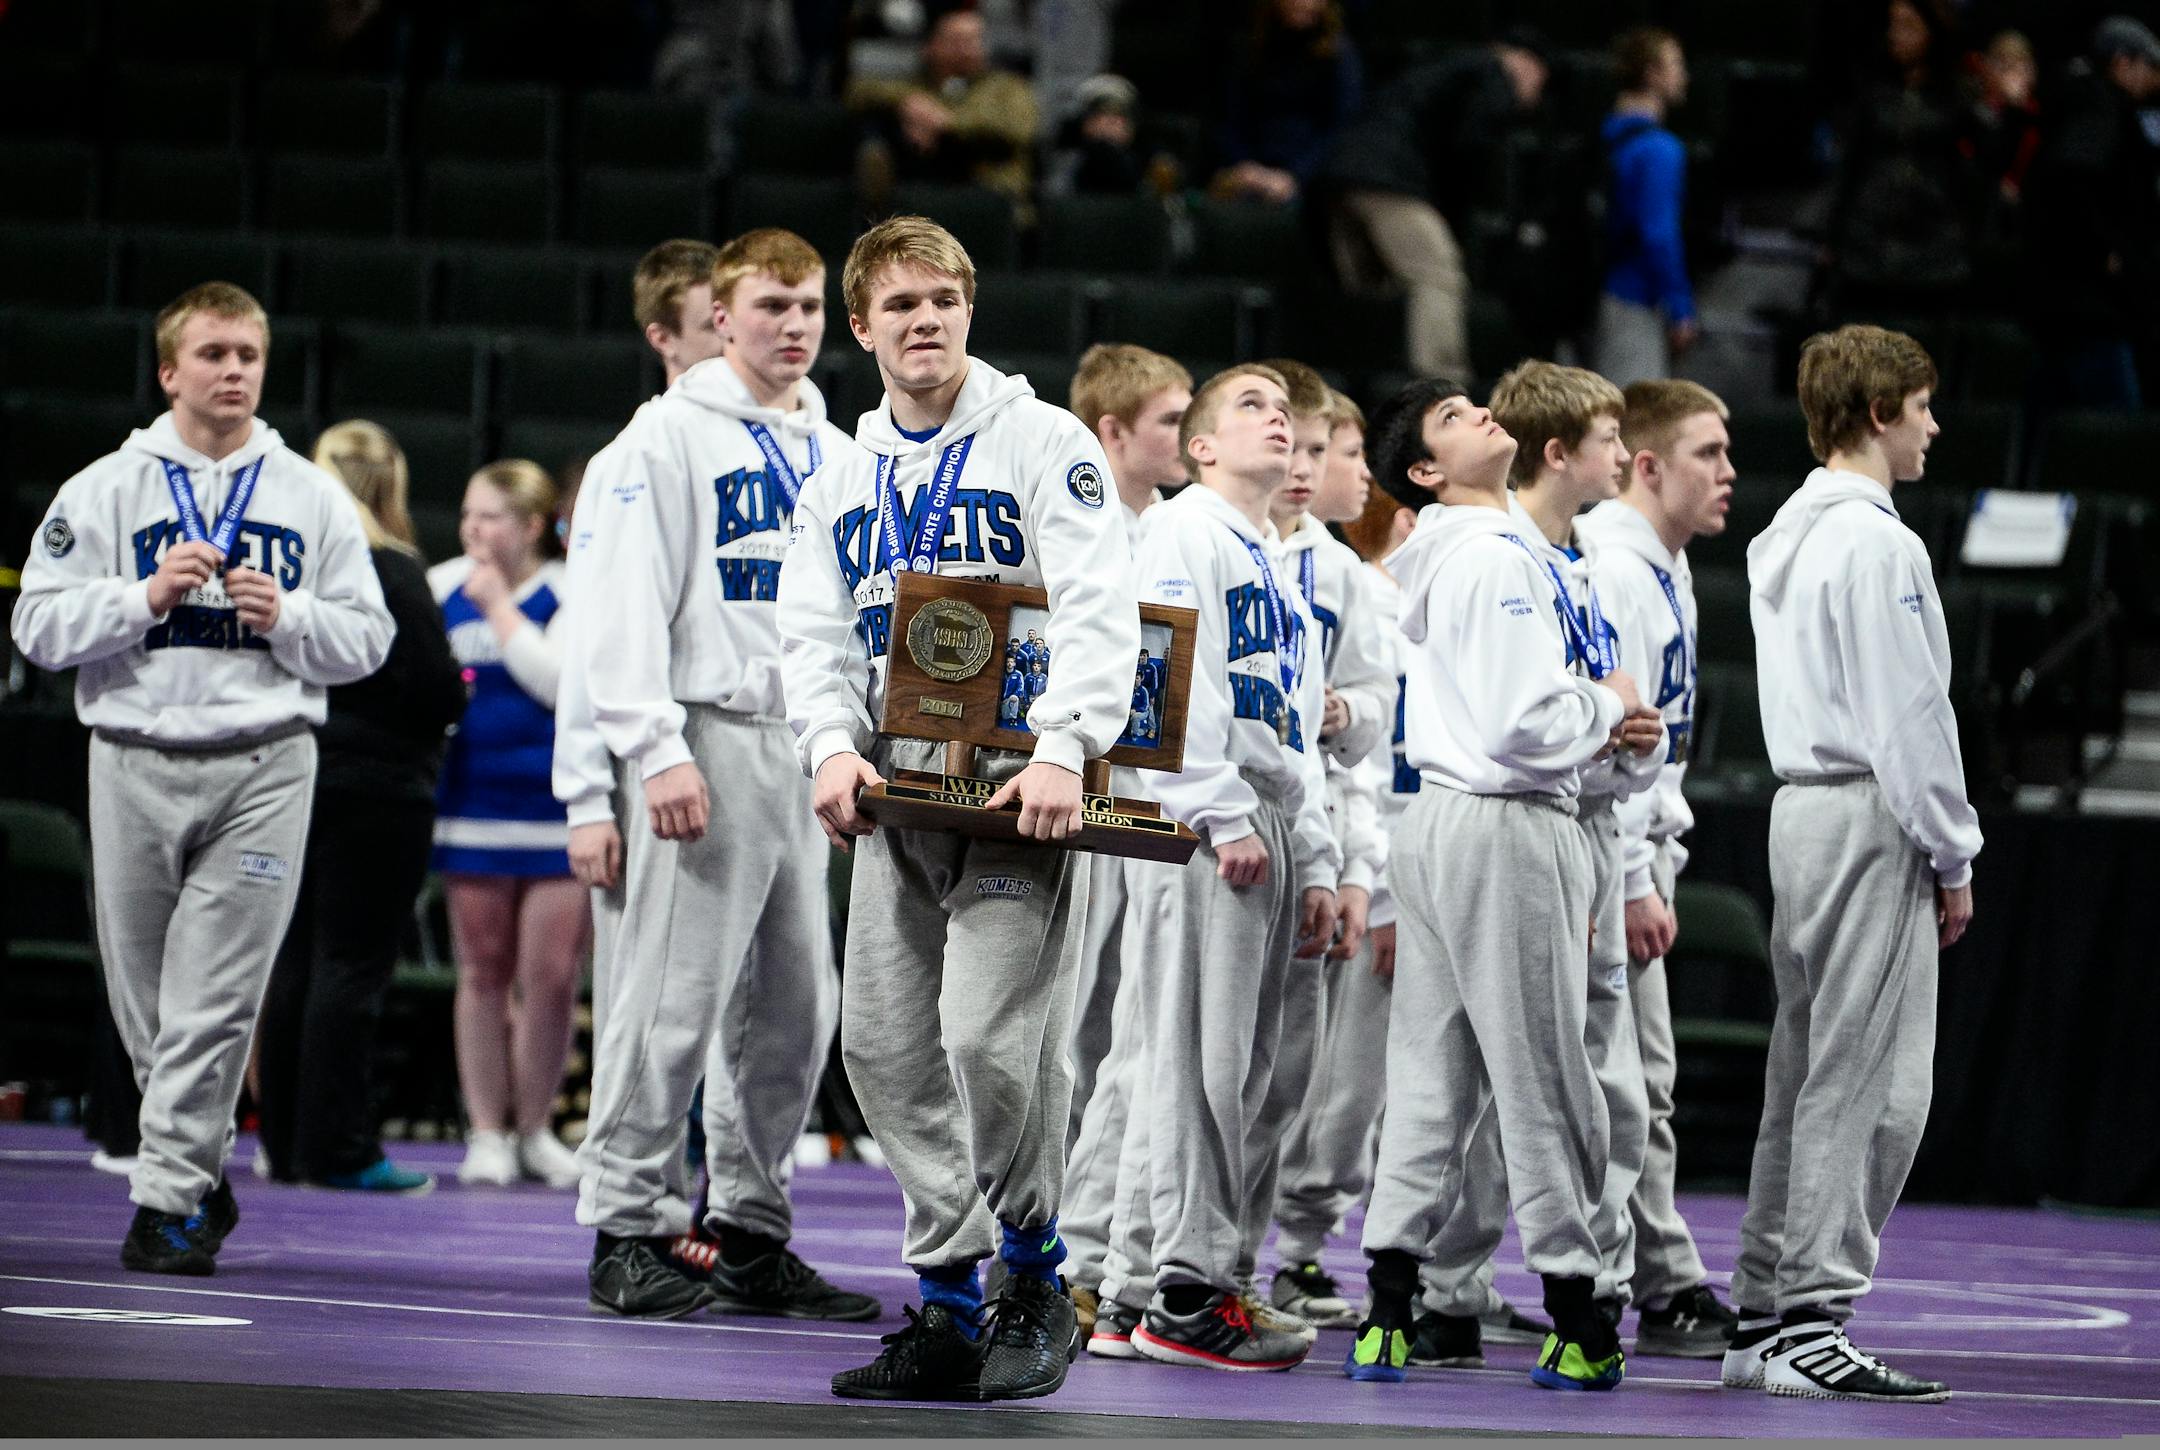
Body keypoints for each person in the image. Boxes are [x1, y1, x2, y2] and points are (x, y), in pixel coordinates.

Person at [777, 216, 1139, 1402]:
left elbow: (1098, 600)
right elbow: (813, 631)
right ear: (862, 326)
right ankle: (945, 1295)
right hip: (896, 793)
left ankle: (1035, 1269)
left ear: (969, 311)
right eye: (901, 304)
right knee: (880, 1045)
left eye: (943, 298)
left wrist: (1065, 748)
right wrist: (829, 748)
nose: (924, 318)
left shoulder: (1045, 440)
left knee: (987, 1034)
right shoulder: (839, 470)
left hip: (1017, 791)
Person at [13, 281, 393, 1273]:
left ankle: (166, 1205)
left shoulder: (311, 496)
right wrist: (140, 596)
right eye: (214, 354)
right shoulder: (103, 489)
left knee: (215, 1000)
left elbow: (370, 638)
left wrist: (294, 618)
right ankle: (196, 1169)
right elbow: (36, 627)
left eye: (249, 356)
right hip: (131, 755)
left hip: (264, 761)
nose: (234, 372)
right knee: (146, 1006)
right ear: (169, 369)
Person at [567, 228, 872, 1325]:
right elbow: (612, 606)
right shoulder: (659, 441)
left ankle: (749, 1227)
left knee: (797, 1005)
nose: (792, 326)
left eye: (806, 308)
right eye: (770, 306)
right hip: (702, 729)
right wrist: (653, 745)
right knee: (670, 996)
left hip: (801, 744)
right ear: (723, 314)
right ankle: (628, 1222)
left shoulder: (836, 447)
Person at [1343, 377, 1660, 1391]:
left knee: (1432, 1078)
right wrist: (1606, 710)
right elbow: (1527, 723)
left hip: (1450, 822)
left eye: (1478, 403)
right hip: (1512, 825)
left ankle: (1389, 1305)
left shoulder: (1485, 552)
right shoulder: (1491, 556)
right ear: (1427, 472)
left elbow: (1526, 716)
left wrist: (1614, 735)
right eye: (1454, 418)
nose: (1483, 413)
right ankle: (1578, 1307)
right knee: (1548, 1077)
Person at [1725, 324, 1980, 1402]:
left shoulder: (1785, 530)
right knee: (1870, 1082)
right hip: (1869, 810)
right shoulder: (1880, 544)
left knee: (1805, 1068)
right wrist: (1953, 848)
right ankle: (1812, 1318)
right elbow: (1911, 714)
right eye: (1922, 406)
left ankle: (1761, 1311)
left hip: (1802, 812)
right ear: (1879, 413)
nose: (1933, 426)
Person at [1086, 365, 1339, 1372]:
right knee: (1195, 1061)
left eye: (1285, 409)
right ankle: (1186, 1291)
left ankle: (1143, 1287)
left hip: (1262, 815)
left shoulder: (1269, 552)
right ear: (1197, 448)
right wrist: (1213, 806)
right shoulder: (1186, 532)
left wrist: (1313, 853)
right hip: (1206, 821)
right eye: (1250, 407)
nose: (1277, 419)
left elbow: (1292, 724)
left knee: (1235, 1068)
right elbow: (1160, 678)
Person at [256, 421, 465, 1195]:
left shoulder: (297, 566)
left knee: (297, 961)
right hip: (380, 786)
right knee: (351, 964)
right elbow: (438, 688)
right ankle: (337, 1146)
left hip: (300, 772)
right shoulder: (394, 569)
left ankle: (284, 1141)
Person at [1578, 378, 1741, 1357]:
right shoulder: (1620, 568)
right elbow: (1622, 739)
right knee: (1629, 1076)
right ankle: (1654, 1277)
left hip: (1641, 844)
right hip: (1613, 847)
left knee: (1639, 1074)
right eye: (1708, 454)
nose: (1728, 473)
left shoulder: (1663, 565)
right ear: (1647, 464)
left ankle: (1646, 1270)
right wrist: (1636, 875)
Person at [555, 240, 727, 1107]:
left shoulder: (775, 448)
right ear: (665, 338)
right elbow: (597, 638)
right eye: (713, 324)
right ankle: (635, 1212)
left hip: (748, 755)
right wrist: (587, 797)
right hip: (653, 760)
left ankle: (717, 1214)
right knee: (650, 998)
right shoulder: (638, 455)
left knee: (741, 1009)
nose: (735, 341)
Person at [1244, 365, 1389, 1328]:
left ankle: (1275, 1257)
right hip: (1224, 814)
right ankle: (1115, 1255)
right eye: (1297, 446)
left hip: (1319, 811)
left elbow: (1375, 715)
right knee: (1179, 1056)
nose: (1308, 467)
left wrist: (1347, 712)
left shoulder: (1338, 571)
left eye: (1322, 450)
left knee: (1299, 1064)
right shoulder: (1204, 540)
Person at [1055, 341, 1193, 1333]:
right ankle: (1047, 1241)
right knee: (1063, 1028)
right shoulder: (1075, 521)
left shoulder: (1171, 528)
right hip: (1078, 795)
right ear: (1112, 432)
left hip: (1149, 802)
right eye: (1168, 422)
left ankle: (1089, 1244)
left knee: (1132, 1032)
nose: (1183, 440)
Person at [430, 460, 587, 1191]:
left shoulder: (570, 589)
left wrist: (499, 609)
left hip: (557, 814)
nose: (473, 530)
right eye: (467, 515)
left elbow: (563, 686)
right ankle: (487, 1130)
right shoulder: (441, 587)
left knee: (550, 979)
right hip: (474, 809)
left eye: (490, 516)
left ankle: (534, 1129)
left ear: (529, 526)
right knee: (483, 973)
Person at [1318, 30, 1549, 378]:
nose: (1535, 95)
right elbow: (1471, 146)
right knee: (1438, 276)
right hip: (1388, 179)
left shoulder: (1443, 67)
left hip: (1338, 180)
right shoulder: (1494, 70)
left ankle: (1358, 394)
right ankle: (1443, 388)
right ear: (1527, 64)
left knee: (1371, 296)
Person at [2022, 16, 2160, 411]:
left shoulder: (2075, 102)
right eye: (2149, 67)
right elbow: (2074, 181)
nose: (2153, 81)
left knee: (2047, 417)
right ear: (2122, 62)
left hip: (2058, 297)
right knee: (2115, 427)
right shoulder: (2100, 107)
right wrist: (2107, 252)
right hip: (2089, 304)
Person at [847, 9, 1040, 215]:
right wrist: (908, 103)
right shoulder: (918, 85)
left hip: (993, 195)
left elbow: (1016, 130)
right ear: (930, 46)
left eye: (974, 40)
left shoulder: (1007, 86)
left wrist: (945, 123)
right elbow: (856, 91)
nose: (966, 49)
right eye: (956, 41)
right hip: (924, 192)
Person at [1596, 28, 1698, 387]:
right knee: (1631, 423)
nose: (1684, 75)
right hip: (1632, 301)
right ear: (1652, 74)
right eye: (1677, 65)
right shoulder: (1659, 149)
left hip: (1589, 299)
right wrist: (1680, 307)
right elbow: (1658, 233)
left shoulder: (1603, 137)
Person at [1213, 0, 1363, 206]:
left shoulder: (1339, 56)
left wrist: (1296, 176)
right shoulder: (1250, 47)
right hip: (1251, 170)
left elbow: (1342, 130)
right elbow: (1230, 118)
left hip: (1311, 174)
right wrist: (1244, 166)